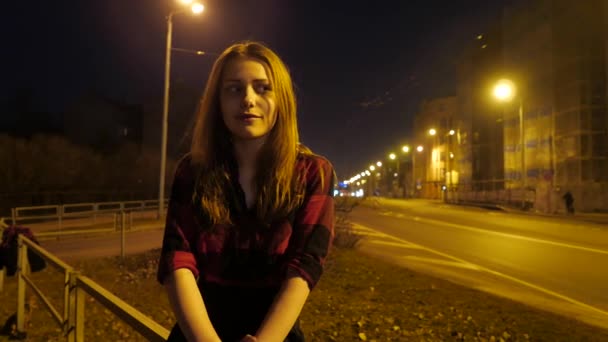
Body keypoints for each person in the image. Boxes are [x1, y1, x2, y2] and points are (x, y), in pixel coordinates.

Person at [156, 41, 336, 342]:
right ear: (218, 102)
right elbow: (177, 260)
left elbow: (305, 267)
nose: (248, 100)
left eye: (263, 88)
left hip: (276, 332)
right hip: (198, 331)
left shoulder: (312, 173)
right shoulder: (192, 171)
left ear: (282, 100)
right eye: (234, 89)